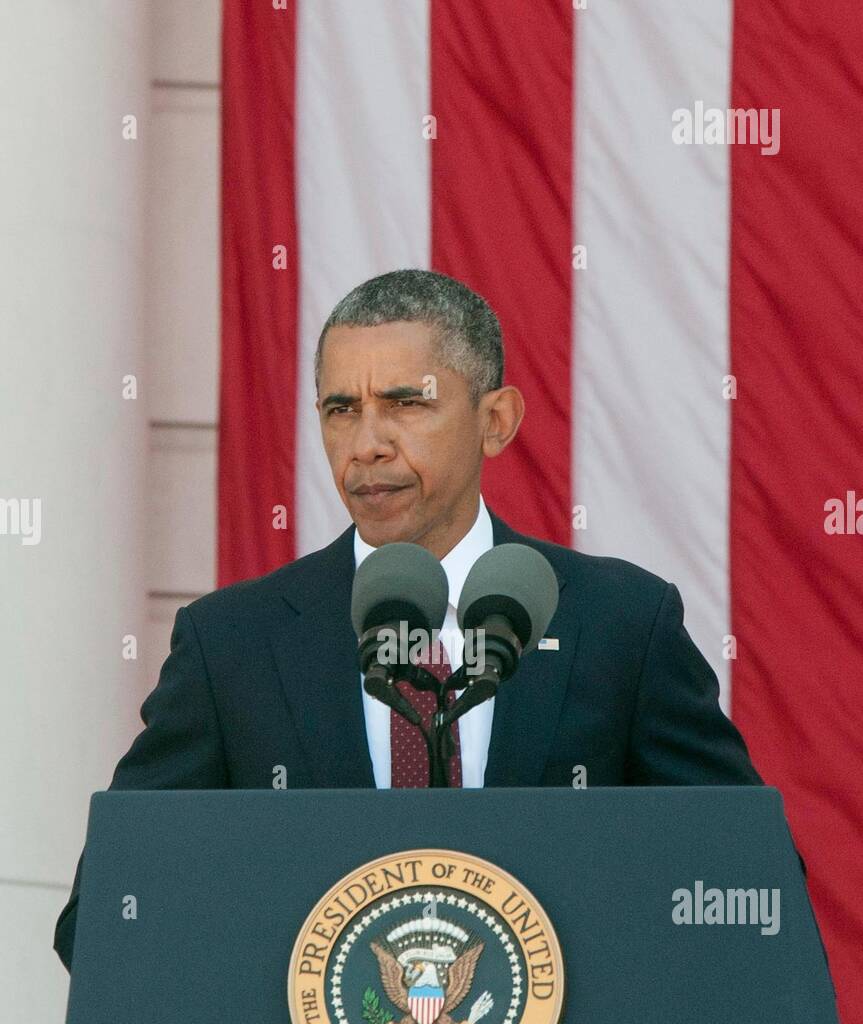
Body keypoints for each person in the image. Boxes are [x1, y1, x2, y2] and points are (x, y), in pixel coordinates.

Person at [53, 268, 765, 973]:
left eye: (404, 403)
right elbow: (107, 914)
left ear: (495, 421)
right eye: (340, 410)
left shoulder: (620, 625)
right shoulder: (232, 643)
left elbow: (744, 888)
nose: (366, 444)